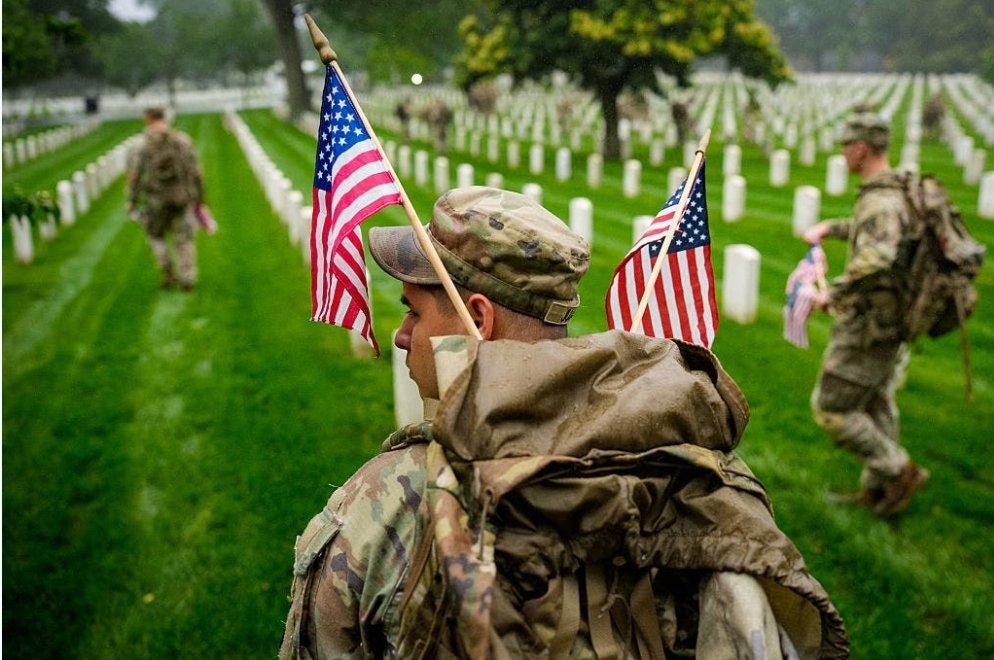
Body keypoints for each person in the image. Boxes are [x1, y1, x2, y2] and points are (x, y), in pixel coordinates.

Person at [281, 187, 848, 659]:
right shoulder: (688, 469)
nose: (402, 334)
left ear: (477, 317)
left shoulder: (392, 499)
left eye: (413, 310)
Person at [802, 111, 931, 517]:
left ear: (860, 148)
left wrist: (831, 294)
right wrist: (834, 227)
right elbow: (877, 231)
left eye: (845, 145)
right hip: (889, 321)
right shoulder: (895, 190)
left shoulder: (881, 199)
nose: (842, 152)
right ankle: (878, 489)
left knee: (832, 408)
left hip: (870, 324)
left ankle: (898, 470)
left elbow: (877, 256)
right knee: (874, 403)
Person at [127, 106, 204, 291]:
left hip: (155, 199)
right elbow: (196, 172)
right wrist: (200, 197)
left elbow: (135, 175)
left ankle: (167, 270)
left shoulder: (141, 144)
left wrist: (132, 199)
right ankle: (187, 278)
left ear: (148, 119)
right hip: (181, 197)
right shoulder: (182, 140)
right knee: (184, 238)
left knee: (156, 236)